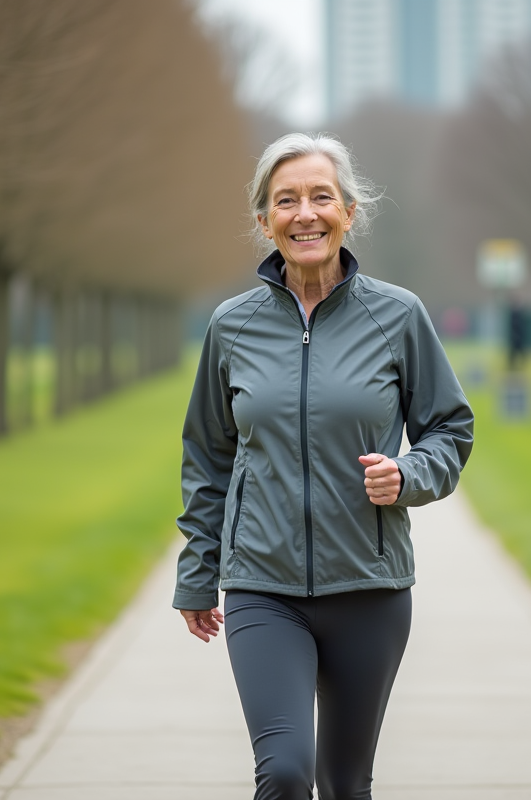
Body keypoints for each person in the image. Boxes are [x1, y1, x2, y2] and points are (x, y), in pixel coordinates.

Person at [173, 132, 475, 800]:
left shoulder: (398, 317)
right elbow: (208, 456)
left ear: (349, 212)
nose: (304, 213)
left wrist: (408, 475)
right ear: (264, 222)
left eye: (320, 197)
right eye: (286, 201)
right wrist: (198, 573)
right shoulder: (233, 327)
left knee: (344, 783)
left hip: (368, 587)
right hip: (262, 586)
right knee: (283, 773)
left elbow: (449, 429)